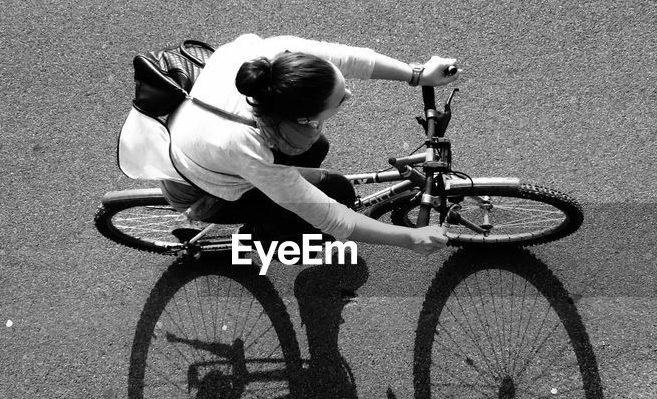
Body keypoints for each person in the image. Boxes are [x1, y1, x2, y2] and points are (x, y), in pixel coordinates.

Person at [159, 34, 459, 255]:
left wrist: (417, 75)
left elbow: (351, 59)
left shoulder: (276, 58)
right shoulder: (245, 146)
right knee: (337, 192)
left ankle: (285, 209)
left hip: (201, 143)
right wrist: (410, 239)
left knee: (317, 149)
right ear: (301, 119)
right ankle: (269, 239)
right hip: (204, 192)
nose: (349, 95)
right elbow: (331, 217)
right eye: (340, 100)